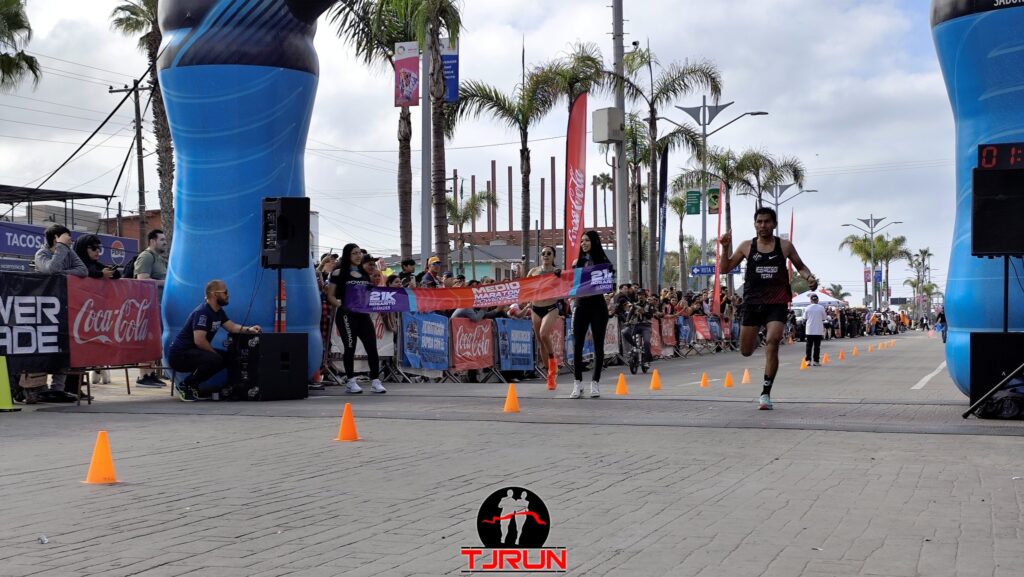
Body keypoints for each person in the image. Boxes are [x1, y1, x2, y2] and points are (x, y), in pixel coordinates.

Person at [719, 207, 817, 410]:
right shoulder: (747, 246)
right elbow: (724, 269)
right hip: (753, 303)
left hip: (777, 302)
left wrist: (809, 277)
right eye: (759, 222)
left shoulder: (785, 246)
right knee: (746, 351)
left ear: (774, 224)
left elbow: (801, 266)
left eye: (767, 222)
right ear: (755, 224)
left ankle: (765, 393)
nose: (763, 225)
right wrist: (725, 247)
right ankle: (756, 336)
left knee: (772, 342)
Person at [167, 279, 261, 402]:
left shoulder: (218, 312)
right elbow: (199, 341)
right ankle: (186, 386)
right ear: (214, 294)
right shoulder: (203, 313)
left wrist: (250, 329)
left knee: (227, 357)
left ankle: (225, 388)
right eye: (225, 292)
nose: (228, 295)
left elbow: (231, 327)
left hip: (193, 352)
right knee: (215, 359)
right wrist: (214, 354)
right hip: (179, 355)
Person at [31, 224, 87, 403]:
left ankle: (58, 389)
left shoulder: (69, 252)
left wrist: (62, 272)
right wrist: (61, 249)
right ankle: (38, 388)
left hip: (64, 308)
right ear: (56, 238)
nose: (70, 240)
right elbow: (50, 269)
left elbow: (83, 271)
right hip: (42, 310)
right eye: (66, 237)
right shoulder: (41, 254)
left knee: (62, 347)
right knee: (42, 349)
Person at [328, 244, 387, 394]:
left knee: (372, 347)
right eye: (354, 253)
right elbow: (331, 295)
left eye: (359, 253)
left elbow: (369, 295)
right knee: (350, 347)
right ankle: (350, 381)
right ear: (347, 255)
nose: (358, 255)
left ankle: (375, 380)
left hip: (363, 315)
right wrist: (340, 304)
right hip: (346, 315)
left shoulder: (364, 274)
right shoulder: (338, 273)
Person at [569, 230, 613, 399]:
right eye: (582, 241)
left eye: (587, 240)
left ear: (594, 242)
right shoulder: (576, 262)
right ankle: (577, 383)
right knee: (577, 346)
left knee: (598, 346)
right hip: (580, 306)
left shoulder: (603, 261)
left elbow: (609, 285)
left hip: (598, 306)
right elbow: (570, 283)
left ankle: (595, 383)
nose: (584, 244)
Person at [74, 234, 120, 386]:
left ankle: (98, 368)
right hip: (77, 313)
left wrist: (111, 271)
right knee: (79, 345)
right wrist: (101, 275)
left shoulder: (95, 264)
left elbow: (117, 275)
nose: (97, 252)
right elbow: (81, 273)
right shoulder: (76, 263)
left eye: (99, 248)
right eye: (93, 248)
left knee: (96, 344)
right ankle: (76, 379)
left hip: (96, 314)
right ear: (83, 249)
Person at [134, 229, 170, 387]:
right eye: (161, 239)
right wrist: (166, 283)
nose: (165, 242)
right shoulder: (146, 256)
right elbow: (141, 279)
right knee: (147, 339)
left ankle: (151, 372)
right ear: (152, 241)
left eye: (165, 240)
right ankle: (143, 376)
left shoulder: (160, 259)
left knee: (155, 340)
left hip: (159, 305)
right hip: (148, 305)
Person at [527, 246, 563, 388]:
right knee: (540, 341)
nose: (546, 255)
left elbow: (566, 286)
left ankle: (553, 360)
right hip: (536, 308)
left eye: (549, 253)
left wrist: (560, 277)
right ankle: (550, 376)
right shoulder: (533, 271)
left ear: (554, 256)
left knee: (543, 334)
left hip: (551, 308)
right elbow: (525, 287)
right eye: (543, 253)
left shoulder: (557, 272)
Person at [803, 294, 826, 366]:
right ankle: (816, 361)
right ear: (817, 300)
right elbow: (824, 318)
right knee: (817, 346)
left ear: (810, 300)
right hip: (818, 330)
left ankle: (808, 361)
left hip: (809, 330)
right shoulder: (821, 308)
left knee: (809, 346)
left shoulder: (807, 308)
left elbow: (804, 318)